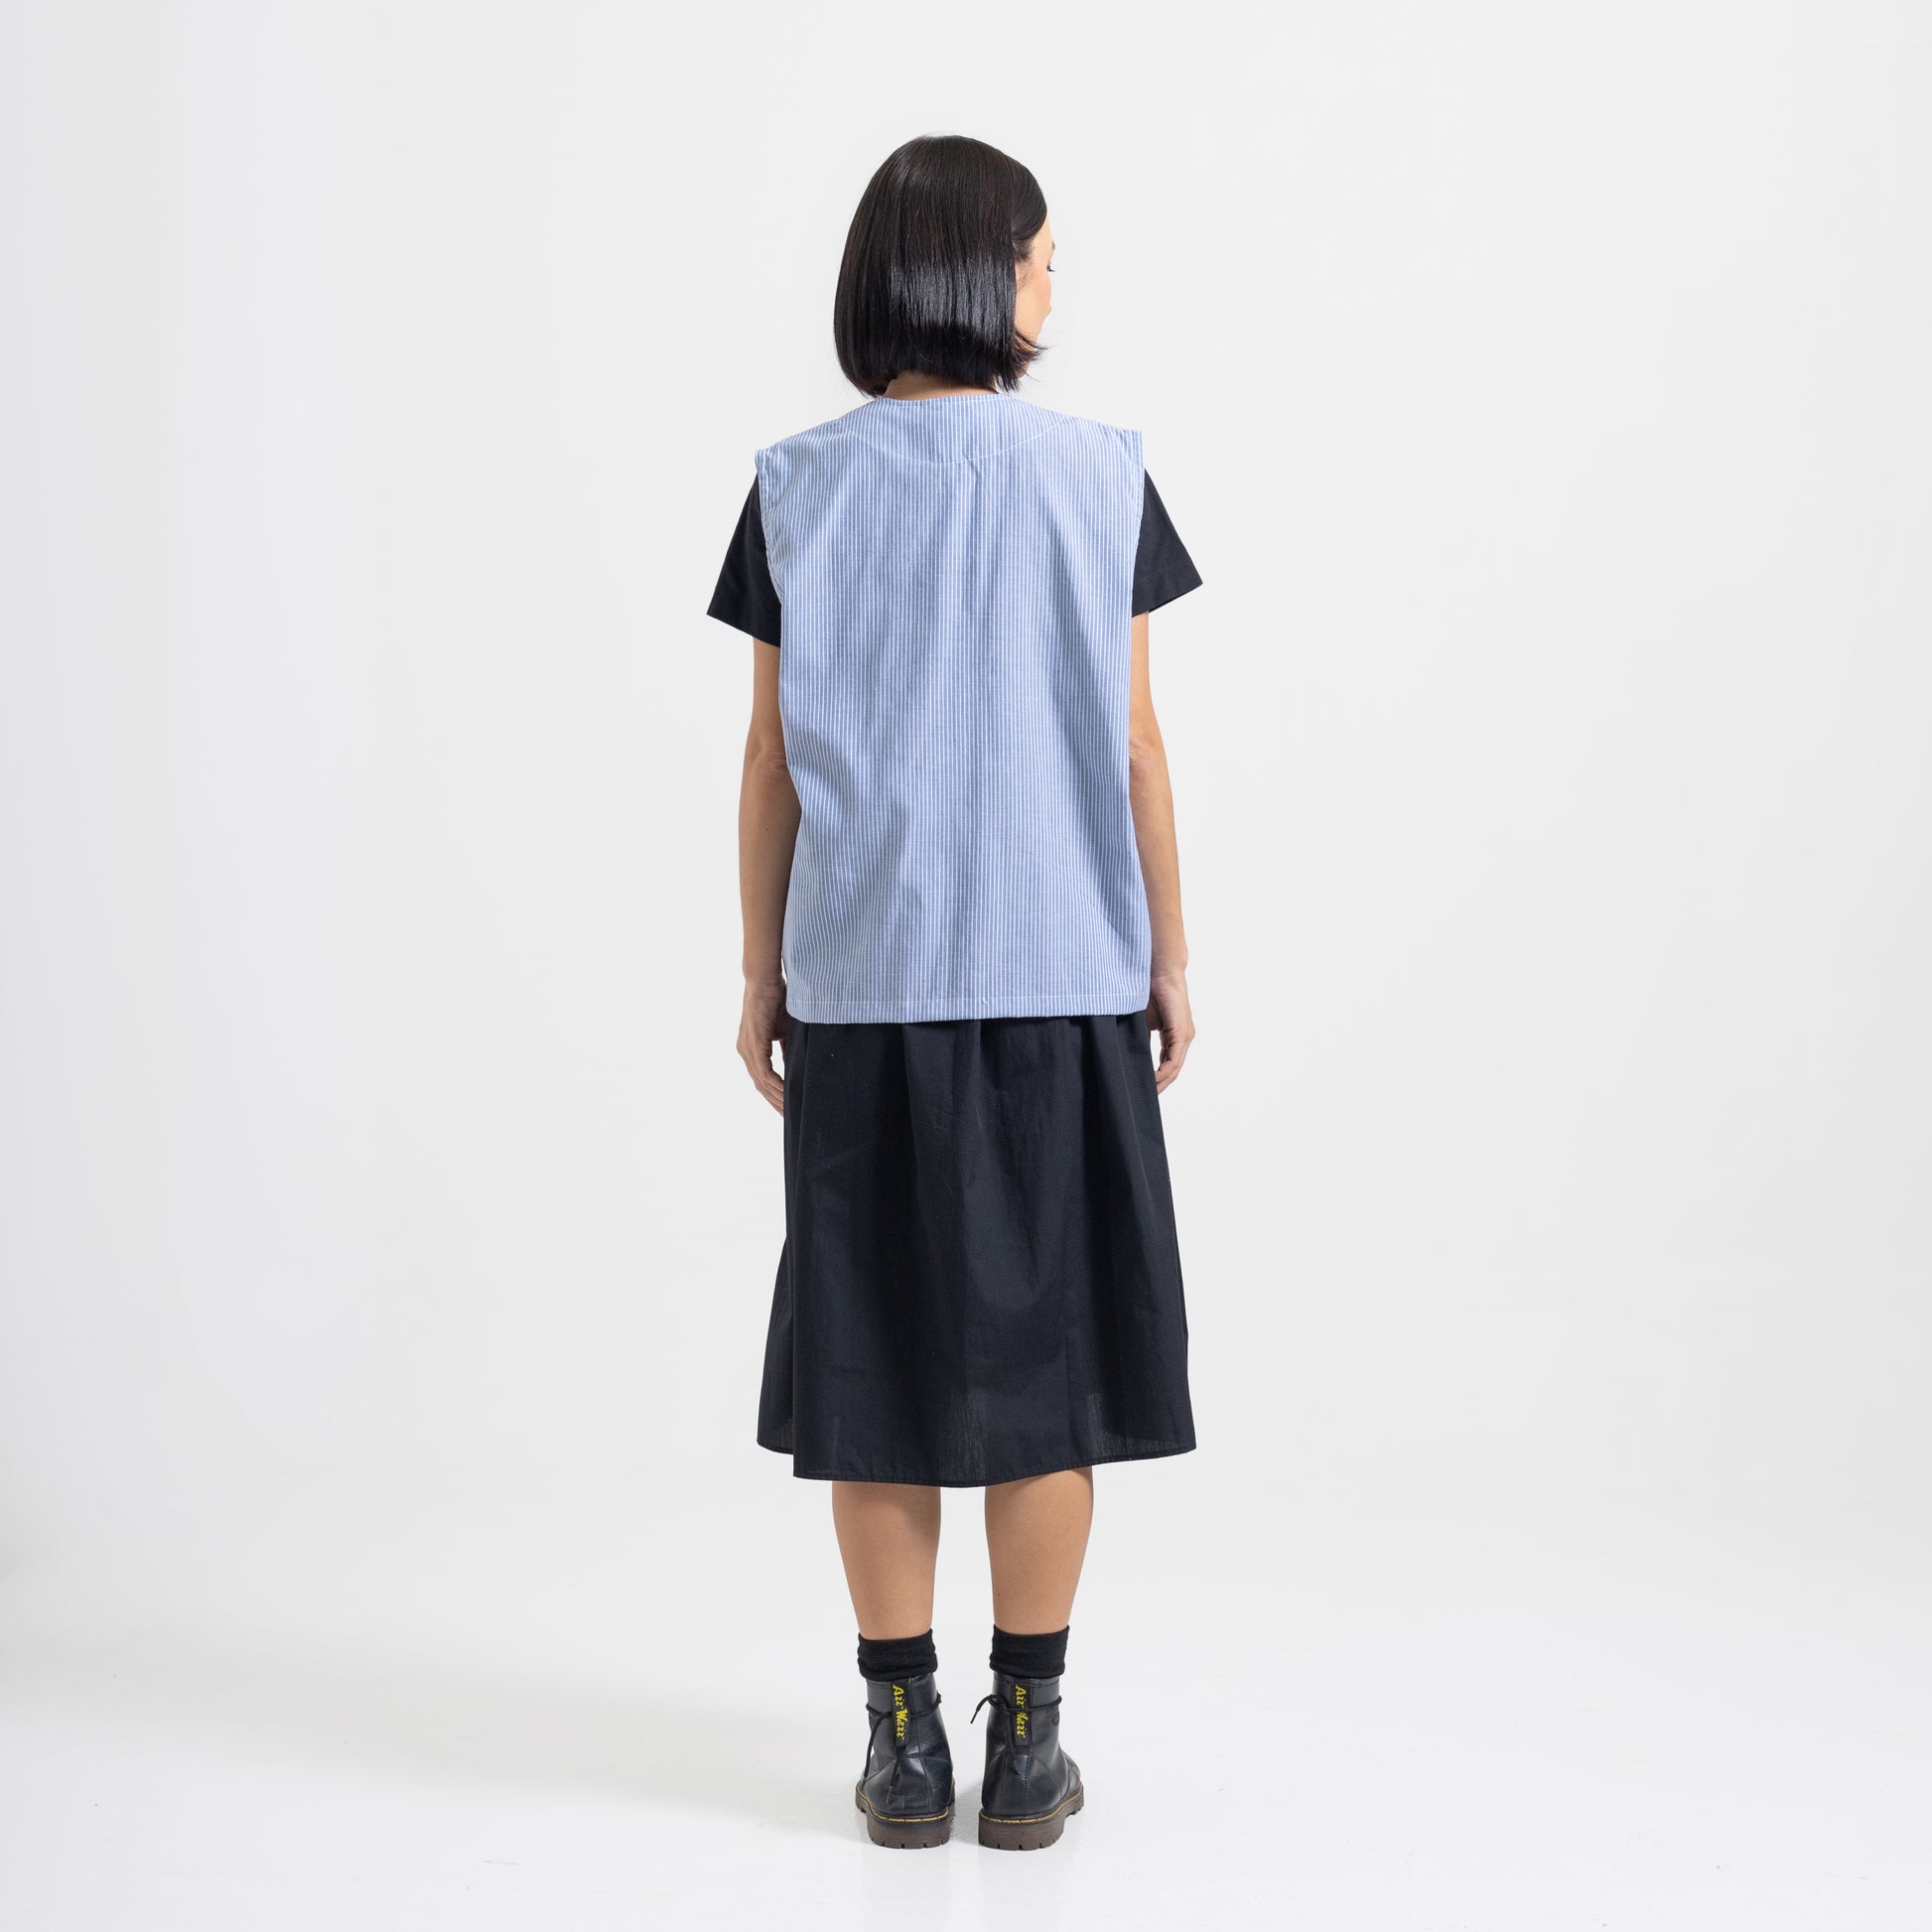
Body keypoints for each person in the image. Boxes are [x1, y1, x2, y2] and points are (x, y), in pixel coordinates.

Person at [707, 133, 1203, 1853]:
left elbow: (770, 760)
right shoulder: (1099, 477)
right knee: (1050, 1373)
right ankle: (1033, 1741)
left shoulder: (797, 486)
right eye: (1044, 256)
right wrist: (1168, 951)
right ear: (984, 275)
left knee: (876, 1373)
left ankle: (903, 1738)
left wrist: (761, 970)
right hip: (1063, 979)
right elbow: (1134, 746)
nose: (1056, 286)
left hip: (866, 982)